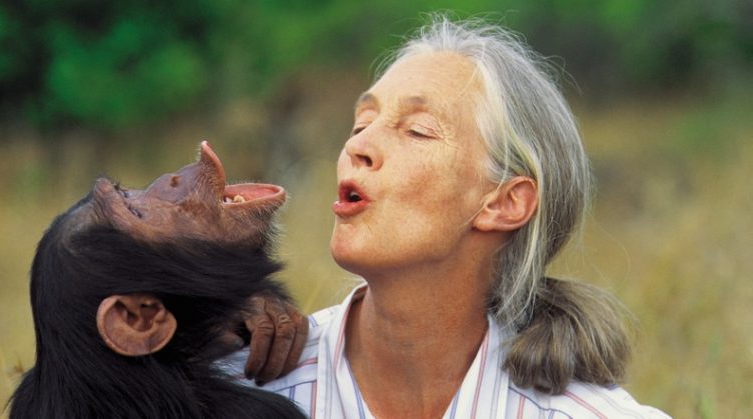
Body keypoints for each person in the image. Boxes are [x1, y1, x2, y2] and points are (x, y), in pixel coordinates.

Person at [232, 16, 670, 418]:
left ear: (505, 203)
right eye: (361, 124)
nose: (356, 147)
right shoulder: (232, 388)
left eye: (417, 130)